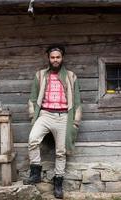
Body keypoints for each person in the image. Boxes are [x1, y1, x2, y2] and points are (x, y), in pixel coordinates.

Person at [24, 44, 82, 199]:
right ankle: (35, 173)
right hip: (45, 114)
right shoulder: (40, 75)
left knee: (61, 152)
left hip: (64, 116)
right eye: (52, 57)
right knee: (32, 140)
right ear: (48, 58)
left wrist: (75, 122)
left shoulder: (71, 76)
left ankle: (58, 184)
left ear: (62, 58)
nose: (55, 60)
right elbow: (32, 98)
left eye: (58, 57)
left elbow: (77, 102)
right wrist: (32, 115)